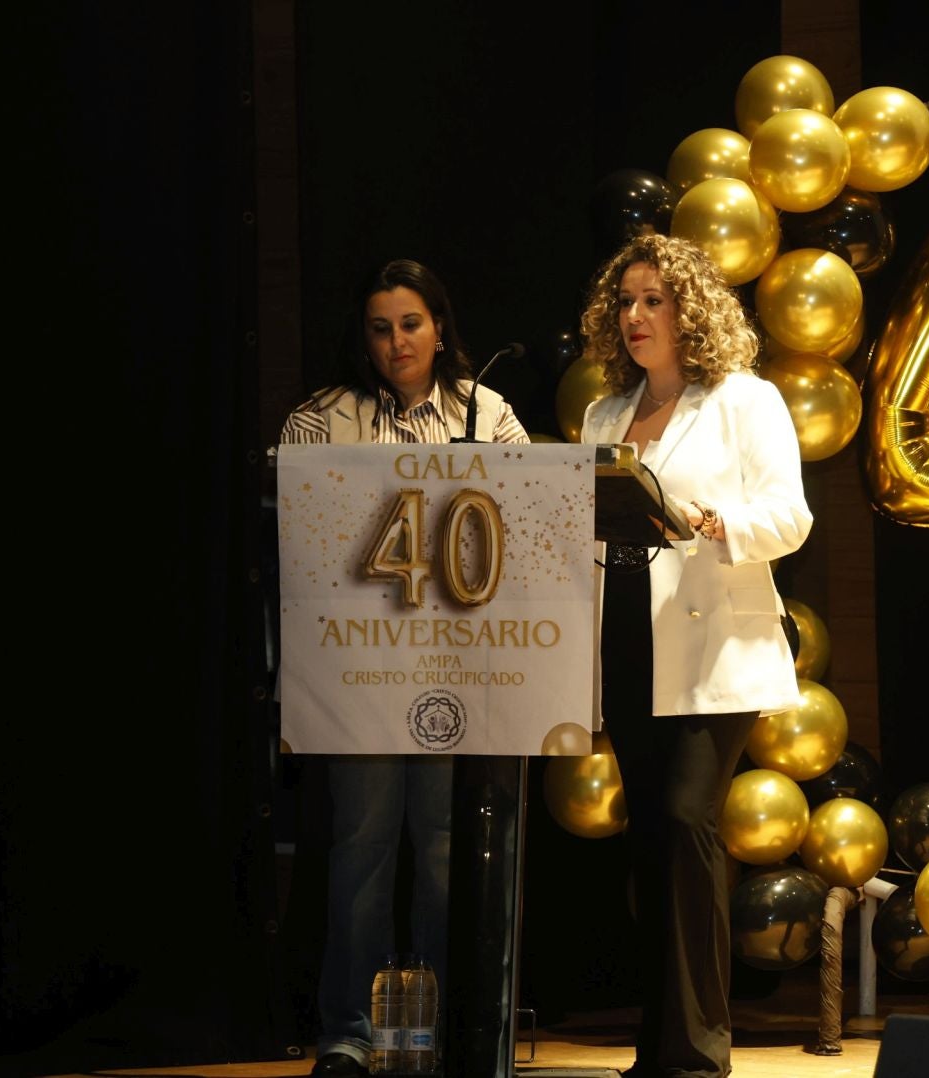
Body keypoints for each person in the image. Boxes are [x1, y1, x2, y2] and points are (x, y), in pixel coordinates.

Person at [281, 258, 529, 1077]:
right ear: (364, 335)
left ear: (440, 327)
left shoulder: (487, 413)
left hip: (463, 668)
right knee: (361, 846)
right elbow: (298, 537)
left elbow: (531, 512)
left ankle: (447, 1030)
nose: (397, 342)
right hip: (360, 674)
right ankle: (350, 1035)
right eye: (381, 327)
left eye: (412, 324)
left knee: (448, 849)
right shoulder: (321, 421)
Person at [577, 233, 812, 1078]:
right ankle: (661, 1050)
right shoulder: (605, 415)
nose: (636, 317)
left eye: (654, 301)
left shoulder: (746, 401)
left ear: (691, 311)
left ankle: (700, 1051)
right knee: (653, 840)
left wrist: (719, 524)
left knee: (685, 821)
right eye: (626, 303)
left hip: (716, 637)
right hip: (629, 637)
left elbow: (791, 518)